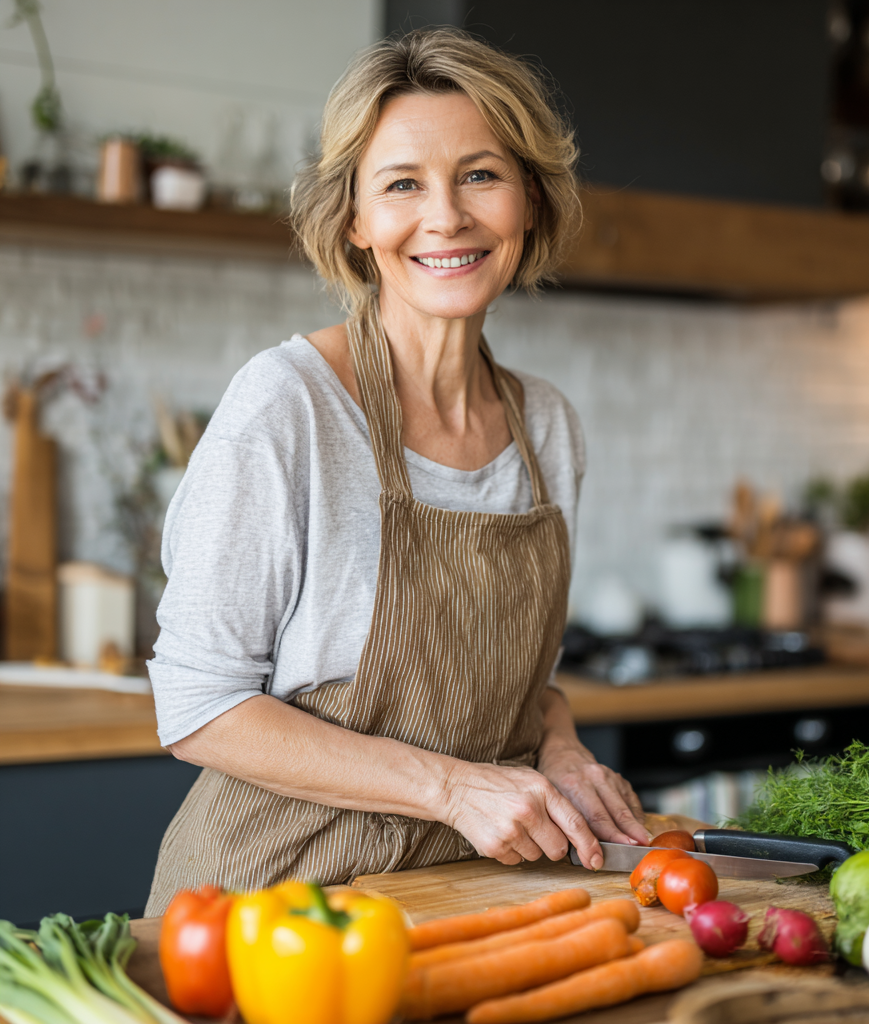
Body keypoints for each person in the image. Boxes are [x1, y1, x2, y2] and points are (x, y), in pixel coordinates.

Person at [145, 27, 648, 917]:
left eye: (481, 175)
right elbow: (197, 706)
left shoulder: (550, 428)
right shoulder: (288, 405)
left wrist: (559, 745)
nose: (447, 216)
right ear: (356, 220)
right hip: (276, 906)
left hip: (464, 899)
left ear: (528, 200)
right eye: (403, 184)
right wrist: (455, 789)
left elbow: (510, 693)